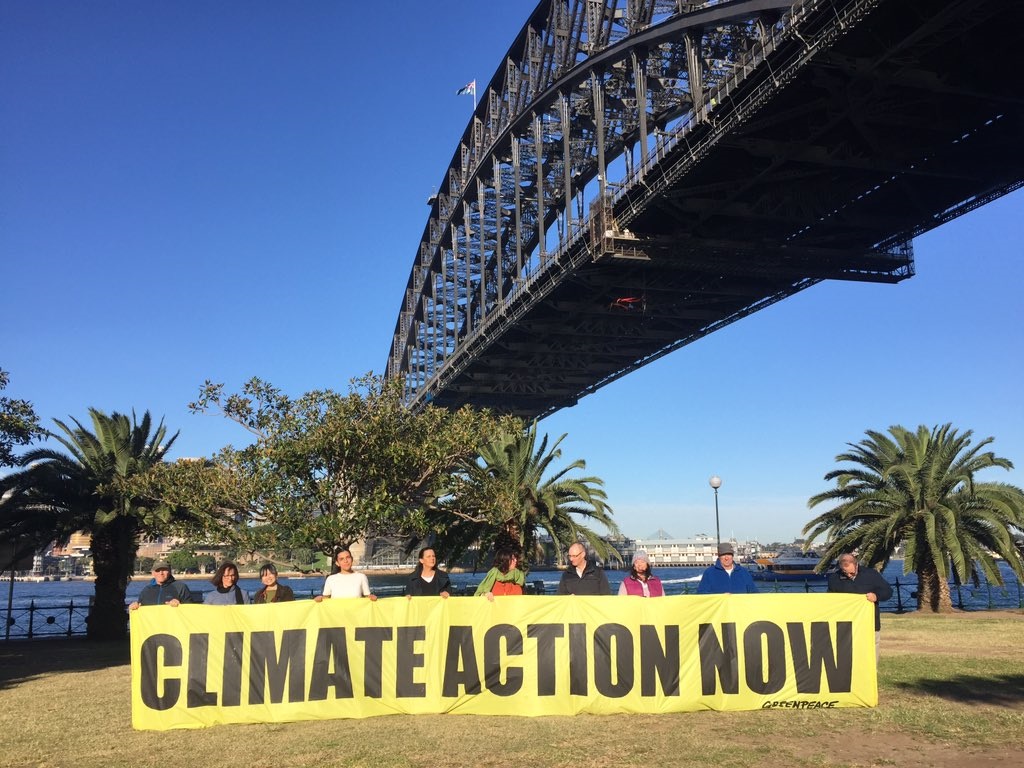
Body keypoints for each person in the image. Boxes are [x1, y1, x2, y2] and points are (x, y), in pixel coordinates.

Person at [827, 553, 893, 660]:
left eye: (851, 572)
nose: (849, 575)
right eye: (845, 572)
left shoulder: (871, 575)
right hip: (845, 626)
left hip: (870, 624)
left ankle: (871, 675)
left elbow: (888, 591)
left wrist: (876, 596)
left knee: (870, 655)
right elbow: (830, 600)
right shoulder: (834, 578)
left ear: (855, 564)